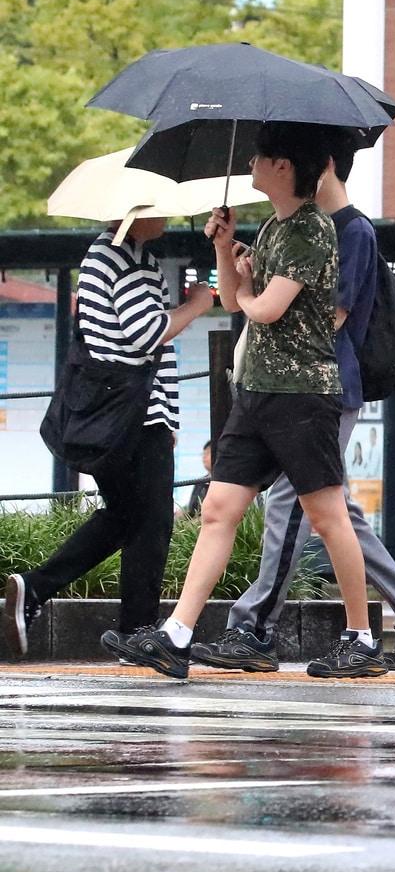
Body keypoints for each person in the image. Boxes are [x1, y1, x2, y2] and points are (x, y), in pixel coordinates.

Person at [100, 122, 373, 680]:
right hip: (257, 393)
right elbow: (230, 298)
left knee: (327, 517)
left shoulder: (310, 231)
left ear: (281, 167)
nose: (249, 162)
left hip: (302, 395)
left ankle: (361, 636)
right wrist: (226, 249)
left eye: (259, 156)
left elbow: (266, 307)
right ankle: (176, 634)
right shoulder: (273, 227)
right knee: (218, 509)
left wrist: (246, 289)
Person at [191, 128, 395, 675]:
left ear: (322, 163)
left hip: (319, 391)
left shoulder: (350, 232)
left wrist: (257, 296)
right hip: (292, 390)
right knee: (336, 514)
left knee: (295, 507)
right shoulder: (296, 227)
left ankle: (255, 626)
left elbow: (328, 318)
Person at [3, 217, 215, 657]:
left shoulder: (122, 256)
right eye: (160, 209)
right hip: (133, 416)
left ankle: (40, 589)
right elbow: (148, 335)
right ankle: (136, 631)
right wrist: (197, 304)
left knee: (128, 516)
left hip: (128, 412)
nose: (168, 218)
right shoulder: (121, 256)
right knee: (150, 522)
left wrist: (169, 415)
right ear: (135, 213)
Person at [185, 440, 213, 518]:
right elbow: (191, 509)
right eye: (203, 454)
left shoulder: (226, 482)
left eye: (207, 453)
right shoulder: (199, 482)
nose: (204, 457)